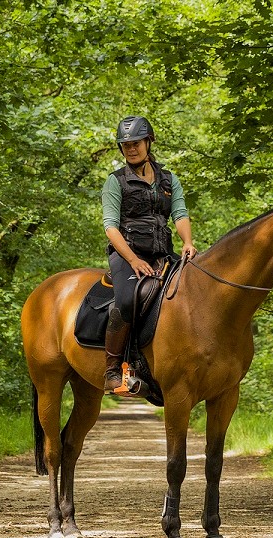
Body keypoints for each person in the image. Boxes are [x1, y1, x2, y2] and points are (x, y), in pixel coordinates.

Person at [101, 115, 197, 395]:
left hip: (162, 253)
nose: (131, 148)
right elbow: (110, 227)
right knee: (128, 300)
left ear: (148, 142)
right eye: (125, 144)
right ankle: (112, 370)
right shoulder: (115, 181)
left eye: (136, 143)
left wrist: (188, 242)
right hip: (127, 254)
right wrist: (132, 259)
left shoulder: (168, 179)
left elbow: (179, 213)